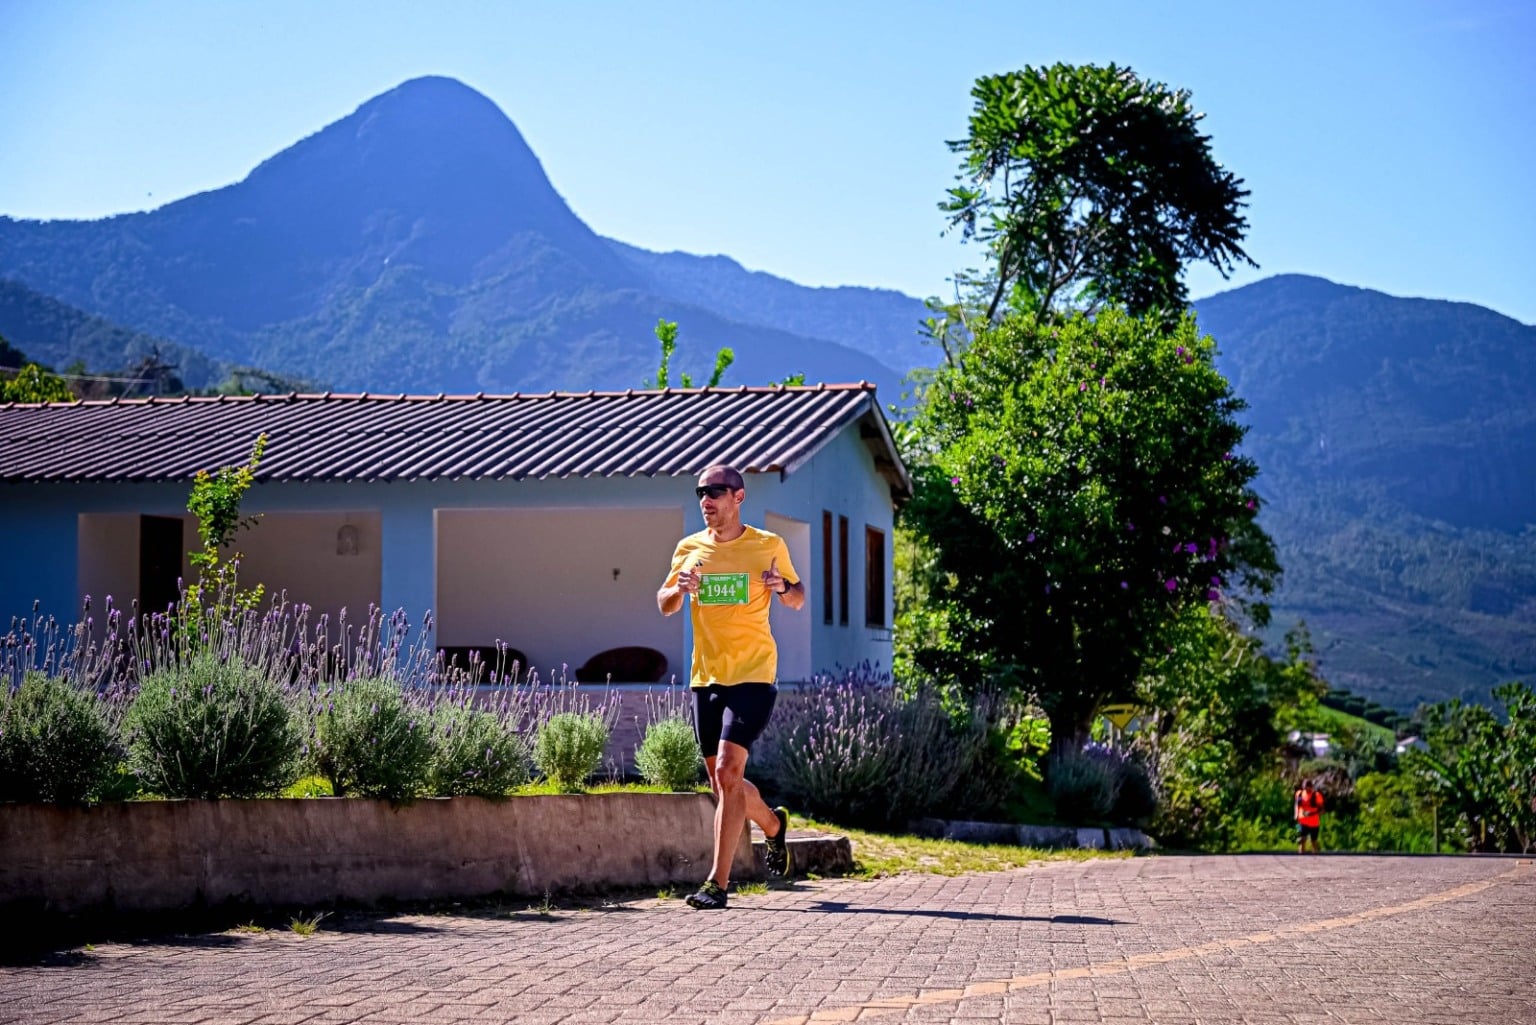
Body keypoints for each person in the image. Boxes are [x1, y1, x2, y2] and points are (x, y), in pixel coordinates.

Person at [657, 464, 805, 909]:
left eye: (716, 492)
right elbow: (664, 605)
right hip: (707, 678)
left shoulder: (767, 545)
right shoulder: (689, 549)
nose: (706, 500)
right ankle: (774, 826)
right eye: (701, 492)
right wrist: (679, 590)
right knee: (727, 785)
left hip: (755, 674)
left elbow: (798, 598)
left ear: (738, 498)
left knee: (727, 771)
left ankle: (716, 885)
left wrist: (782, 587)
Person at [1294, 778, 1325, 854]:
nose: (1307, 789)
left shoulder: (1316, 795)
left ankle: (1317, 852)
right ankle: (1301, 855)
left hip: (1314, 822)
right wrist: (1296, 814)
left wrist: (1311, 814)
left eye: (1309, 787)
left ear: (1312, 787)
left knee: (1313, 841)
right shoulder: (1299, 794)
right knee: (1302, 840)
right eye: (1305, 787)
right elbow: (1296, 805)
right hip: (1302, 821)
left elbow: (1322, 810)